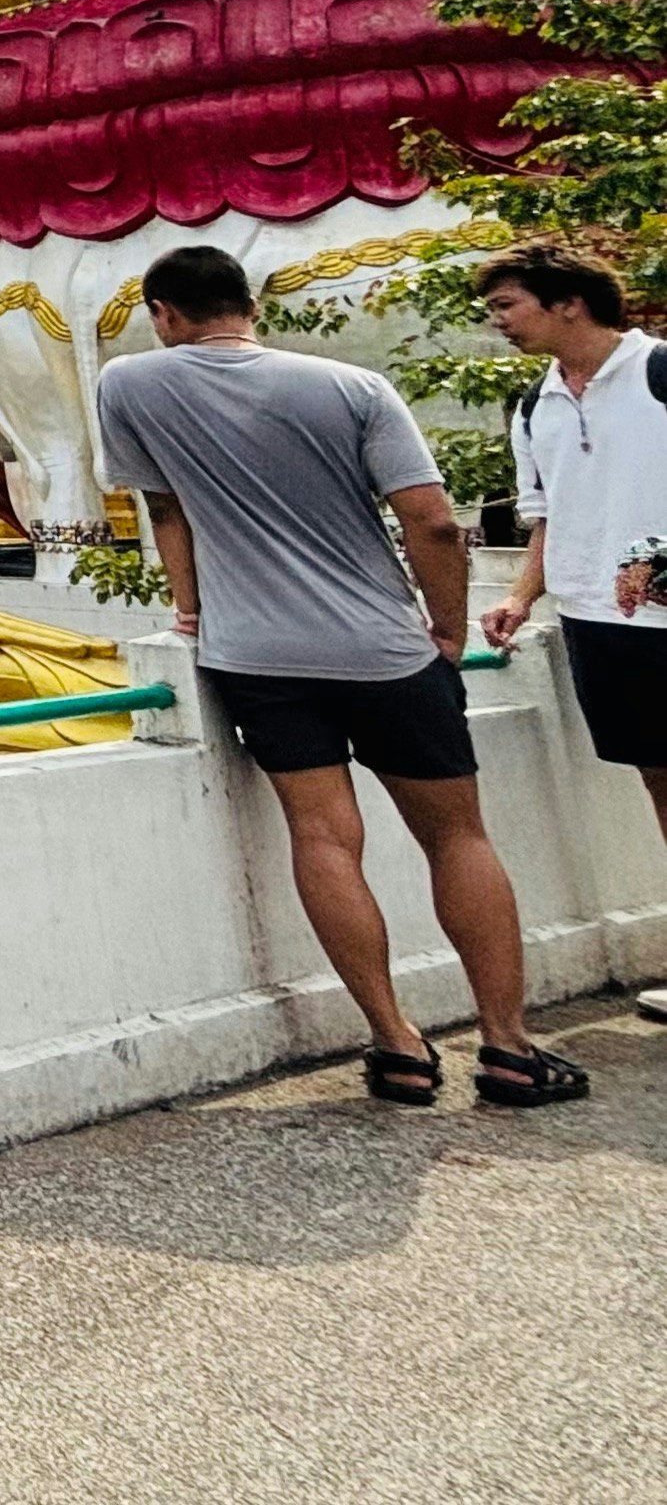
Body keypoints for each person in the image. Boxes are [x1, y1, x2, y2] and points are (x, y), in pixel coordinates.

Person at [96, 243, 584, 1107]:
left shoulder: (128, 385)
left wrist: (190, 610)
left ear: (162, 315)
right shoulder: (352, 388)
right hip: (381, 649)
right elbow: (431, 522)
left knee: (322, 837)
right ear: (249, 305)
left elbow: (164, 506)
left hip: (252, 654)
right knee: (456, 838)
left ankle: (396, 1045)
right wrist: (443, 628)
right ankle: (506, 1047)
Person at [474, 243, 667, 1027]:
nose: (497, 323)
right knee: (658, 781)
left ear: (567, 302)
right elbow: (547, 516)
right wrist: (521, 597)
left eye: (506, 305)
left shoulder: (656, 372)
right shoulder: (535, 404)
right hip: (597, 620)